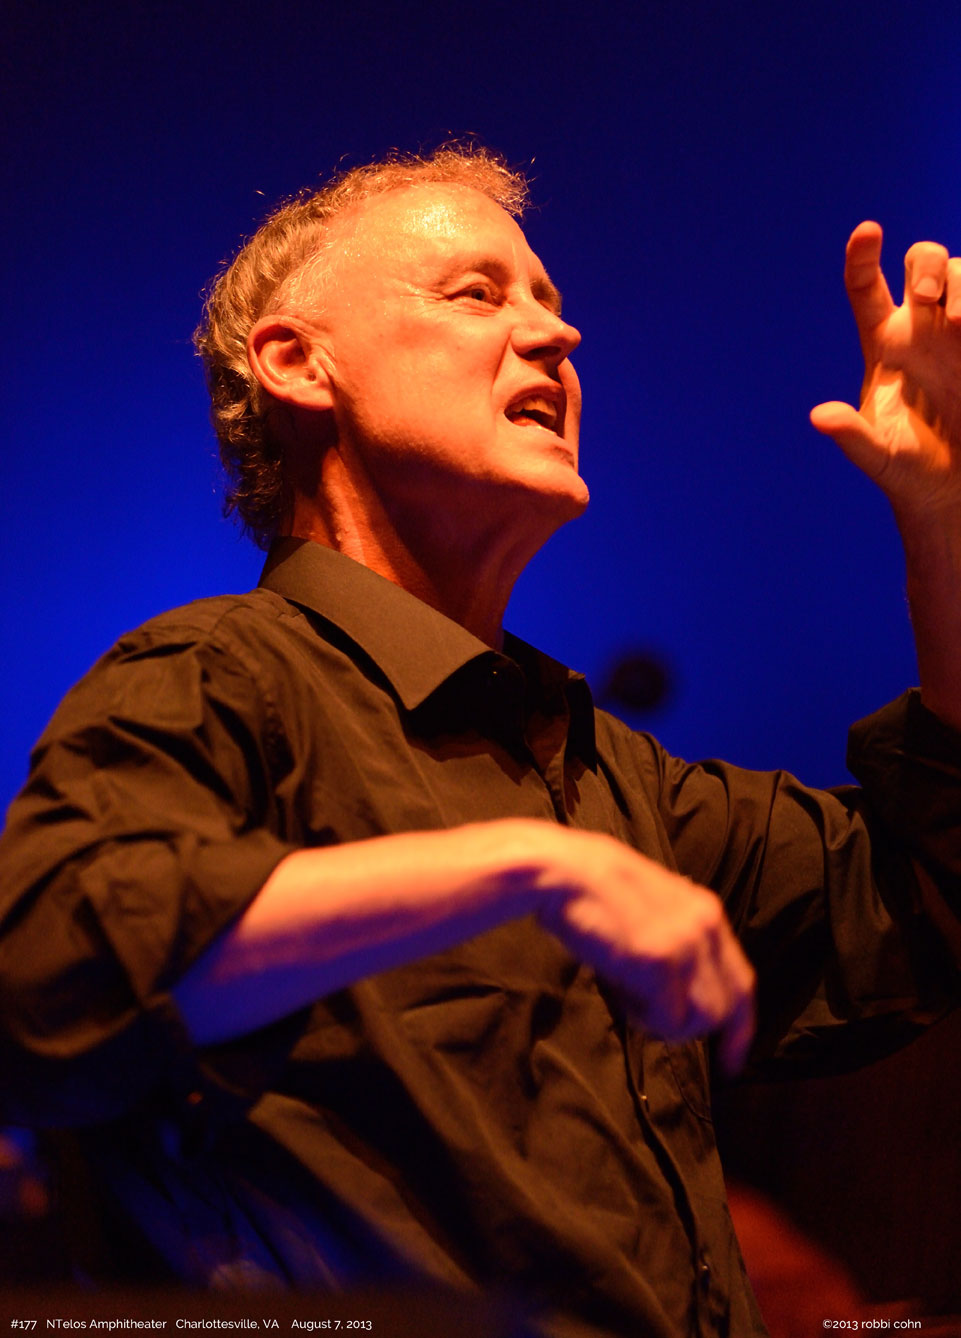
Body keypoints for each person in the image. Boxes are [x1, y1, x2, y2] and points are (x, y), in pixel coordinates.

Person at [1, 145, 959, 1337]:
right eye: (478, 293)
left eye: (550, 302)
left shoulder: (608, 776)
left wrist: (942, 516)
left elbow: (927, 889)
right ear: (296, 363)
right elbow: (43, 965)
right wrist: (521, 869)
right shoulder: (217, 679)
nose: (557, 334)